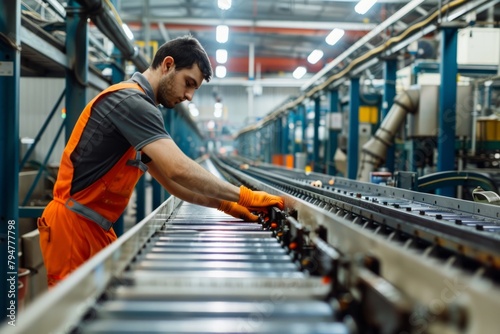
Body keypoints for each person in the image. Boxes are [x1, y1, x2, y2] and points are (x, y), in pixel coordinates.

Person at [37, 35, 284, 287]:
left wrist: (225, 205)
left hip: (94, 227)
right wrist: (244, 196)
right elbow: (178, 169)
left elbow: (171, 182)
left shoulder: (141, 108)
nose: (189, 96)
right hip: (73, 228)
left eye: (194, 89)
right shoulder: (131, 102)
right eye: (188, 83)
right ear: (167, 65)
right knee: (73, 319)